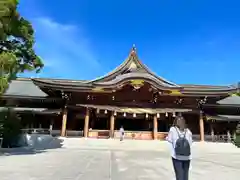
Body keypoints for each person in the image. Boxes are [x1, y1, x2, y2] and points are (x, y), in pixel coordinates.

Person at [166, 116, 193, 180]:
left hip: (176, 156)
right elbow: (190, 142)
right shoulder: (188, 131)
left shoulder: (172, 129)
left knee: (179, 175)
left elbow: (169, 140)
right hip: (187, 157)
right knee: (185, 175)